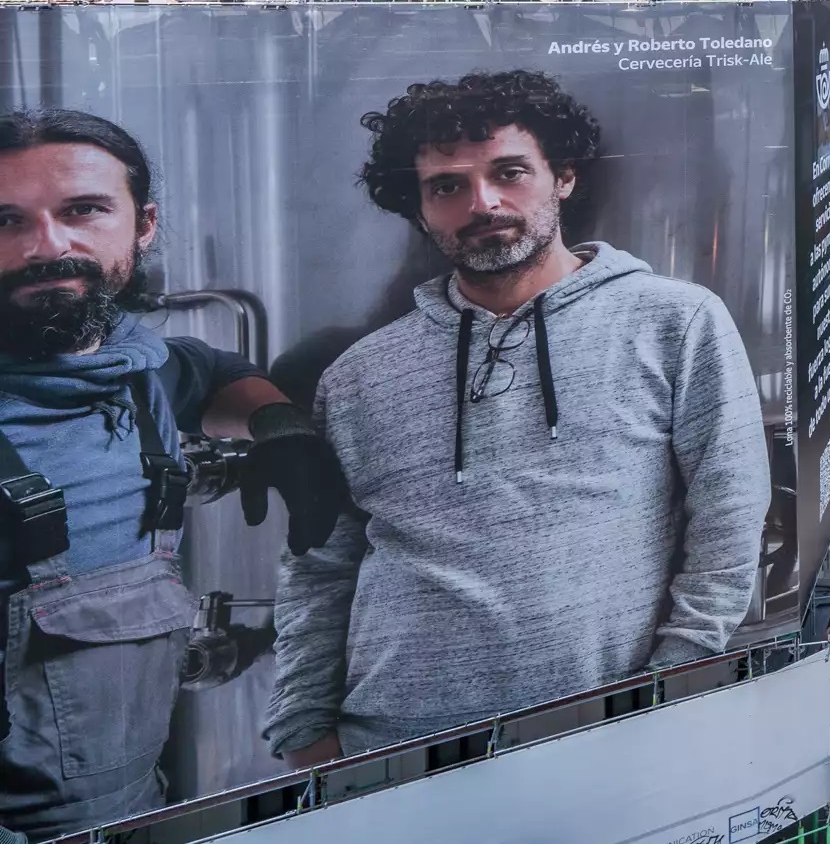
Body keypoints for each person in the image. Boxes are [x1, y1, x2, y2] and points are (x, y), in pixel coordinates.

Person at [264, 71, 773, 764]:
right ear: (417, 207)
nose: (483, 202)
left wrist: (672, 685)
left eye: (509, 172)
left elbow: (730, 516)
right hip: (385, 753)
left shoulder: (674, 323)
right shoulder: (358, 375)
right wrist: (304, 734)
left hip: (604, 739)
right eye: (447, 185)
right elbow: (318, 567)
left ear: (562, 176)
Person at [0, 110, 349, 838]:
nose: (47, 245)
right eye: (7, 220)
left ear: (143, 223)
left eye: (83, 210)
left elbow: (216, 371)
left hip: (130, 806)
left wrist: (280, 428)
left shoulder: (141, 367)